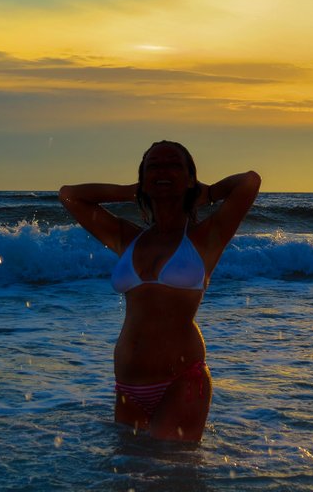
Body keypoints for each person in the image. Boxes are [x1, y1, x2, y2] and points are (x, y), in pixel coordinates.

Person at [58, 140, 261, 441]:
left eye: (173, 165)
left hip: (181, 381)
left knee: (170, 476)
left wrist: (208, 193)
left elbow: (249, 182)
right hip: (128, 387)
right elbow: (70, 196)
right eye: (154, 166)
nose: (163, 170)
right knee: (128, 478)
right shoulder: (127, 238)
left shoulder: (206, 237)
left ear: (190, 178)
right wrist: (134, 190)